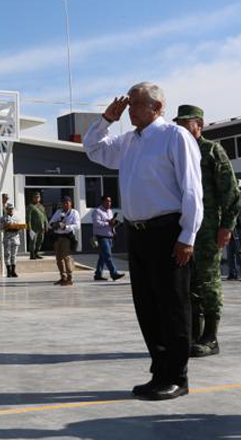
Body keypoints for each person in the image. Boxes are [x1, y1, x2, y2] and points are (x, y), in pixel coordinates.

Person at [83, 82, 202, 402]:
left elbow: (192, 190)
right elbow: (93, 148)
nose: (129, 110)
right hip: (138, 234)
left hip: (168, 233)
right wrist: (106, 119)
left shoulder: (175, 137)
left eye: (135, 105)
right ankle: (160, 371)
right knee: (147, 307)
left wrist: (187, 236)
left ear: (157, 108)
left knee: (173, 306)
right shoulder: (128, 142)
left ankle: (178, 376)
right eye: (129, 104)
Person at [174, 105, 240, 359]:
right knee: (187, 281)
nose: (180, 127)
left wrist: (227, 226)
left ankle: (211, 337)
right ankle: (193, 335)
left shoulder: (211, 150)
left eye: (185, 122)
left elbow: (230, 191)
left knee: (208, 279)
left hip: (209, 227)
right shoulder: (178, 152)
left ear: (199, 124)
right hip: (183, 227)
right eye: (178, 122)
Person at [49, 196, 80, 286]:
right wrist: (55, 224)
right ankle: (63, 277)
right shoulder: (59, 212)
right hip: (58, 237)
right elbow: (51, 222)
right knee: (59, 258)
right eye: (64, 203)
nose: (65, 204)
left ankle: (69, 278)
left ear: (71, 203)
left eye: (67, 202)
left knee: (66, 257)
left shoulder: (74, 213)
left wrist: (66, 226)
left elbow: (77, 226)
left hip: (67, 237)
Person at [92, 196, 124, 281]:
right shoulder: (97, 211)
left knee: (102, 256)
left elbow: (111, 223)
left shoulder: (110, 211)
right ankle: (114, 273)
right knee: (108, 255)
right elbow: (96, 223)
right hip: (101, 237)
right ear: (102, 202)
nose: (109, 203)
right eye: (107, 201)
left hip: (110, 236)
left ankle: (98, 274)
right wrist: (108, 223)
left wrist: (114, 228)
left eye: (110, 201)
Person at [1, 204, 22, 278]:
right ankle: (8, 271)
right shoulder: (3, 218)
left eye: (12, 209)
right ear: (6, 210)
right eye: (9, 209)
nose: (11, 210)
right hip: (7, 238)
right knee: (7, 255)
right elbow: (0, 227)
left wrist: (17, 227)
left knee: (14, 255)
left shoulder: (17, 218)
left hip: (15, 237)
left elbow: (20, 226)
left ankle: (13, 271)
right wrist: (6, 226)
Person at [26, 192, 47, 259]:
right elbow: (28, 217)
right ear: (33, 198)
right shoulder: (30, 206)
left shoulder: (41, 206)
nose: (37, 198)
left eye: (38, 197)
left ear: (40, 198)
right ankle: (32, 255)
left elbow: (44, 216)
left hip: (41, 227)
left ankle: (36, 252)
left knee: (40, 240)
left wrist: (46, 225)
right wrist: (29, 226)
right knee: (33, 241)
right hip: (34, 227)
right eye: (35, 197)